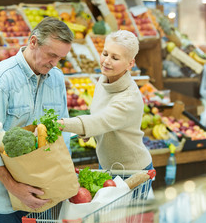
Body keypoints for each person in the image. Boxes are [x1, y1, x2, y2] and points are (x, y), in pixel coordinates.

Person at [0, 17, 73, 223]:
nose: (55, 63)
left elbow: (63, 131)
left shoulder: (57, 79)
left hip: (41, 192)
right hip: (1, 193)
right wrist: (14, 187)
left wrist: (63, 174)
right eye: (51, 55)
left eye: (60, 58)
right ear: (33, 42)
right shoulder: (0, 80)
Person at [59, 30, 153, 172]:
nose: (107, 61)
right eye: (105, 54)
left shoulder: (128, 99)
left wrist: (59, 124)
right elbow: (99, 116)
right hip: (107, 165)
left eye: (115, 58)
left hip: (132, 170)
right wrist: (90, 132)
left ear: (130, 64)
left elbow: (100, 121)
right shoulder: (103, 81)